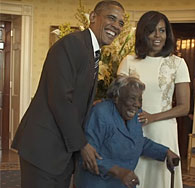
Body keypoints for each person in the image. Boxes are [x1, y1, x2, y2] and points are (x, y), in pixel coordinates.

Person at [11, 1, 125, 187]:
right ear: (93, 17)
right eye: (111, 18)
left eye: (121, 22)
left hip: (60, 152)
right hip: (44, 149)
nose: (117, 26)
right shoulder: (74, 44)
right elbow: (60, 99)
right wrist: (82, 145)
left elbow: (74, 95)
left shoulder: (91, 50)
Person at [118, 11, 190, 188]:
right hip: (133, 129)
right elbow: (117, 100)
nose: (158, 36)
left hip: (162, 131)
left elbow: (184, 107)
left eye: (162, 30)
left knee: (160, 179)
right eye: (152, 30)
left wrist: (152, 118)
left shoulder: (178, 63)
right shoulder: (128, 61)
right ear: (143, 33)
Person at [75, 75, 180, 188]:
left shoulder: (135, 114)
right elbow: (86, 157)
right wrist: (119, 172)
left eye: (140, 99)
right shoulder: (101, 113)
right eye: (132, 98)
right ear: (116, 98)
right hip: (97, 183)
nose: (138, 104)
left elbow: (138, 141)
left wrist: (165, 152)